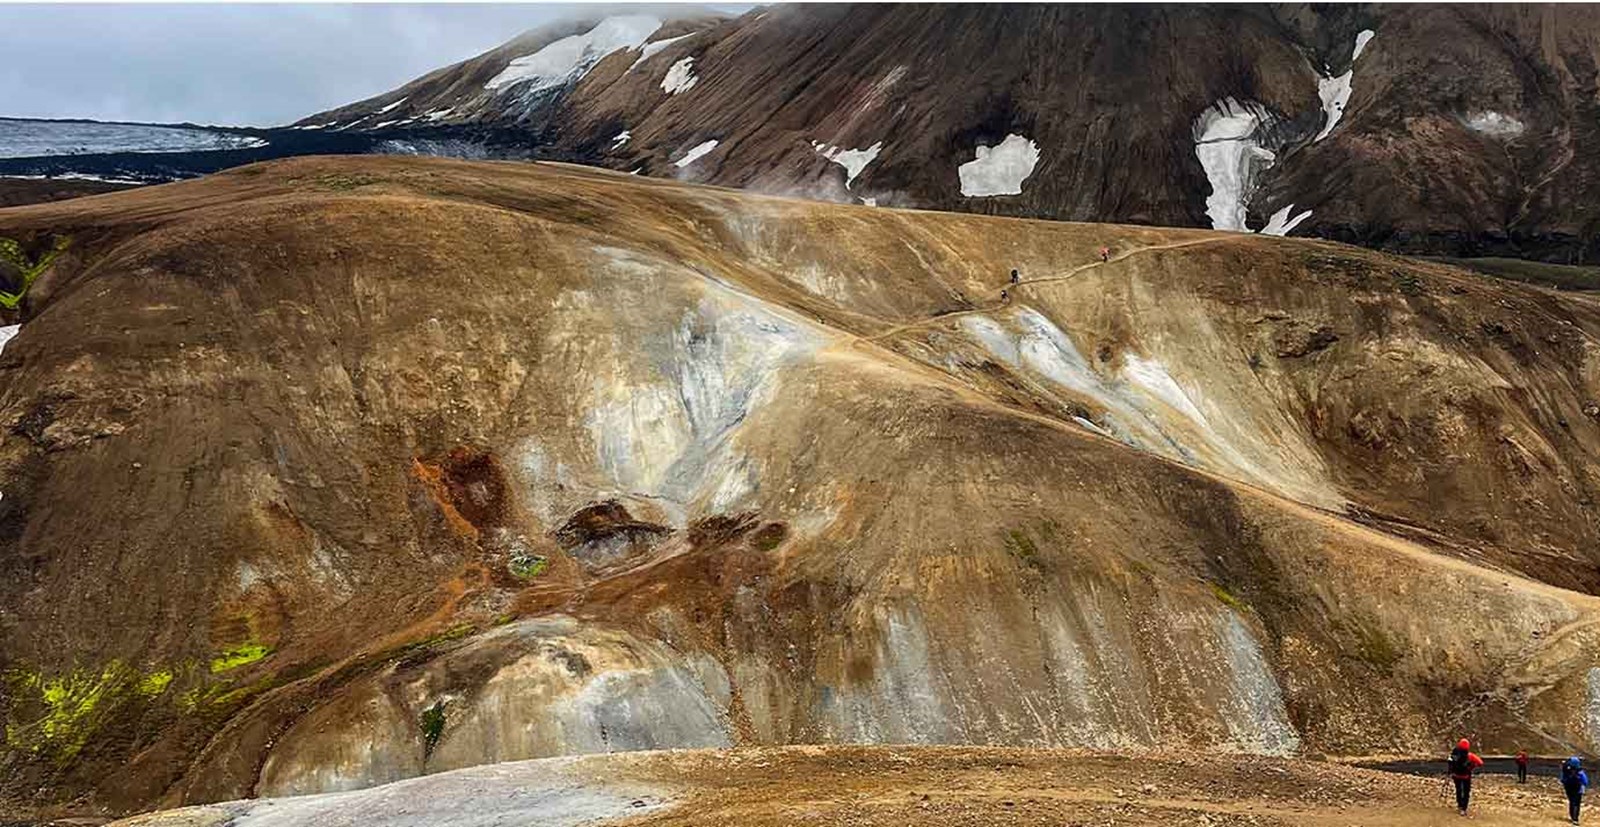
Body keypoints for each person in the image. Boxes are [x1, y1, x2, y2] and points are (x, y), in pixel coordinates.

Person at [1448, 738, 1484, 816]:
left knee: (1458, 790)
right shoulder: (1470, 756)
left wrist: (1450, 771)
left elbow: (1450, 762)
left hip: (1456, 775)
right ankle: (1464, 808)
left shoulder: (1454, 754)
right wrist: (1472, 766)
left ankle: (1459, 805)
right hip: (1466, 776)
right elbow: (1480, 762)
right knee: (1466, 792)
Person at [1565, 757, 1590, 824]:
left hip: (1568, 787)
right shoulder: (1580, 771)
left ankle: (1573, 817)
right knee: (1576, 803)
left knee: (1572, 802)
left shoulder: (1567, 770)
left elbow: (1563, 779)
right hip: (1577, 788)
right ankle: (1575, 818)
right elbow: (1585, 781)